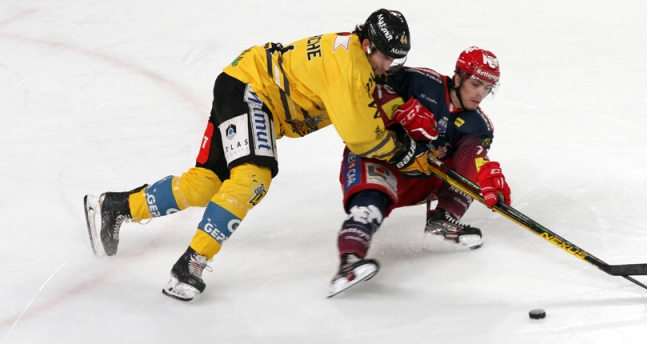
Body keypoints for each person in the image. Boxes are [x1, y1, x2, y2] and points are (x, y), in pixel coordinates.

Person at [82, 8, 426, 301]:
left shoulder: (357, 56)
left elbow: (366, 110)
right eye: (386, 57)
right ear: (367, 45)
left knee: (205, 184)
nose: (390, 65)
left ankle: (115, 206)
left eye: (398, 59)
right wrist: (404, 150)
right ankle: (191, 262)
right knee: (254, 178)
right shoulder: (351, 67)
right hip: (252, 92)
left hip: (241, 83)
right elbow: (362, 138)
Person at [328, 46, 513, 297]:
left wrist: (485, 176)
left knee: (468, 163)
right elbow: (372, 81)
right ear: (458, 77)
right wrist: (395, 110)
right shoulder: (421, 81)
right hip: (376, 158)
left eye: (488, 88)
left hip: (418, 175)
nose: (481, 93)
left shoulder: (478, 125)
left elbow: (472, 157)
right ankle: (349, 262)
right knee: (369, 208)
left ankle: (443, 219)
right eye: (476, 83)